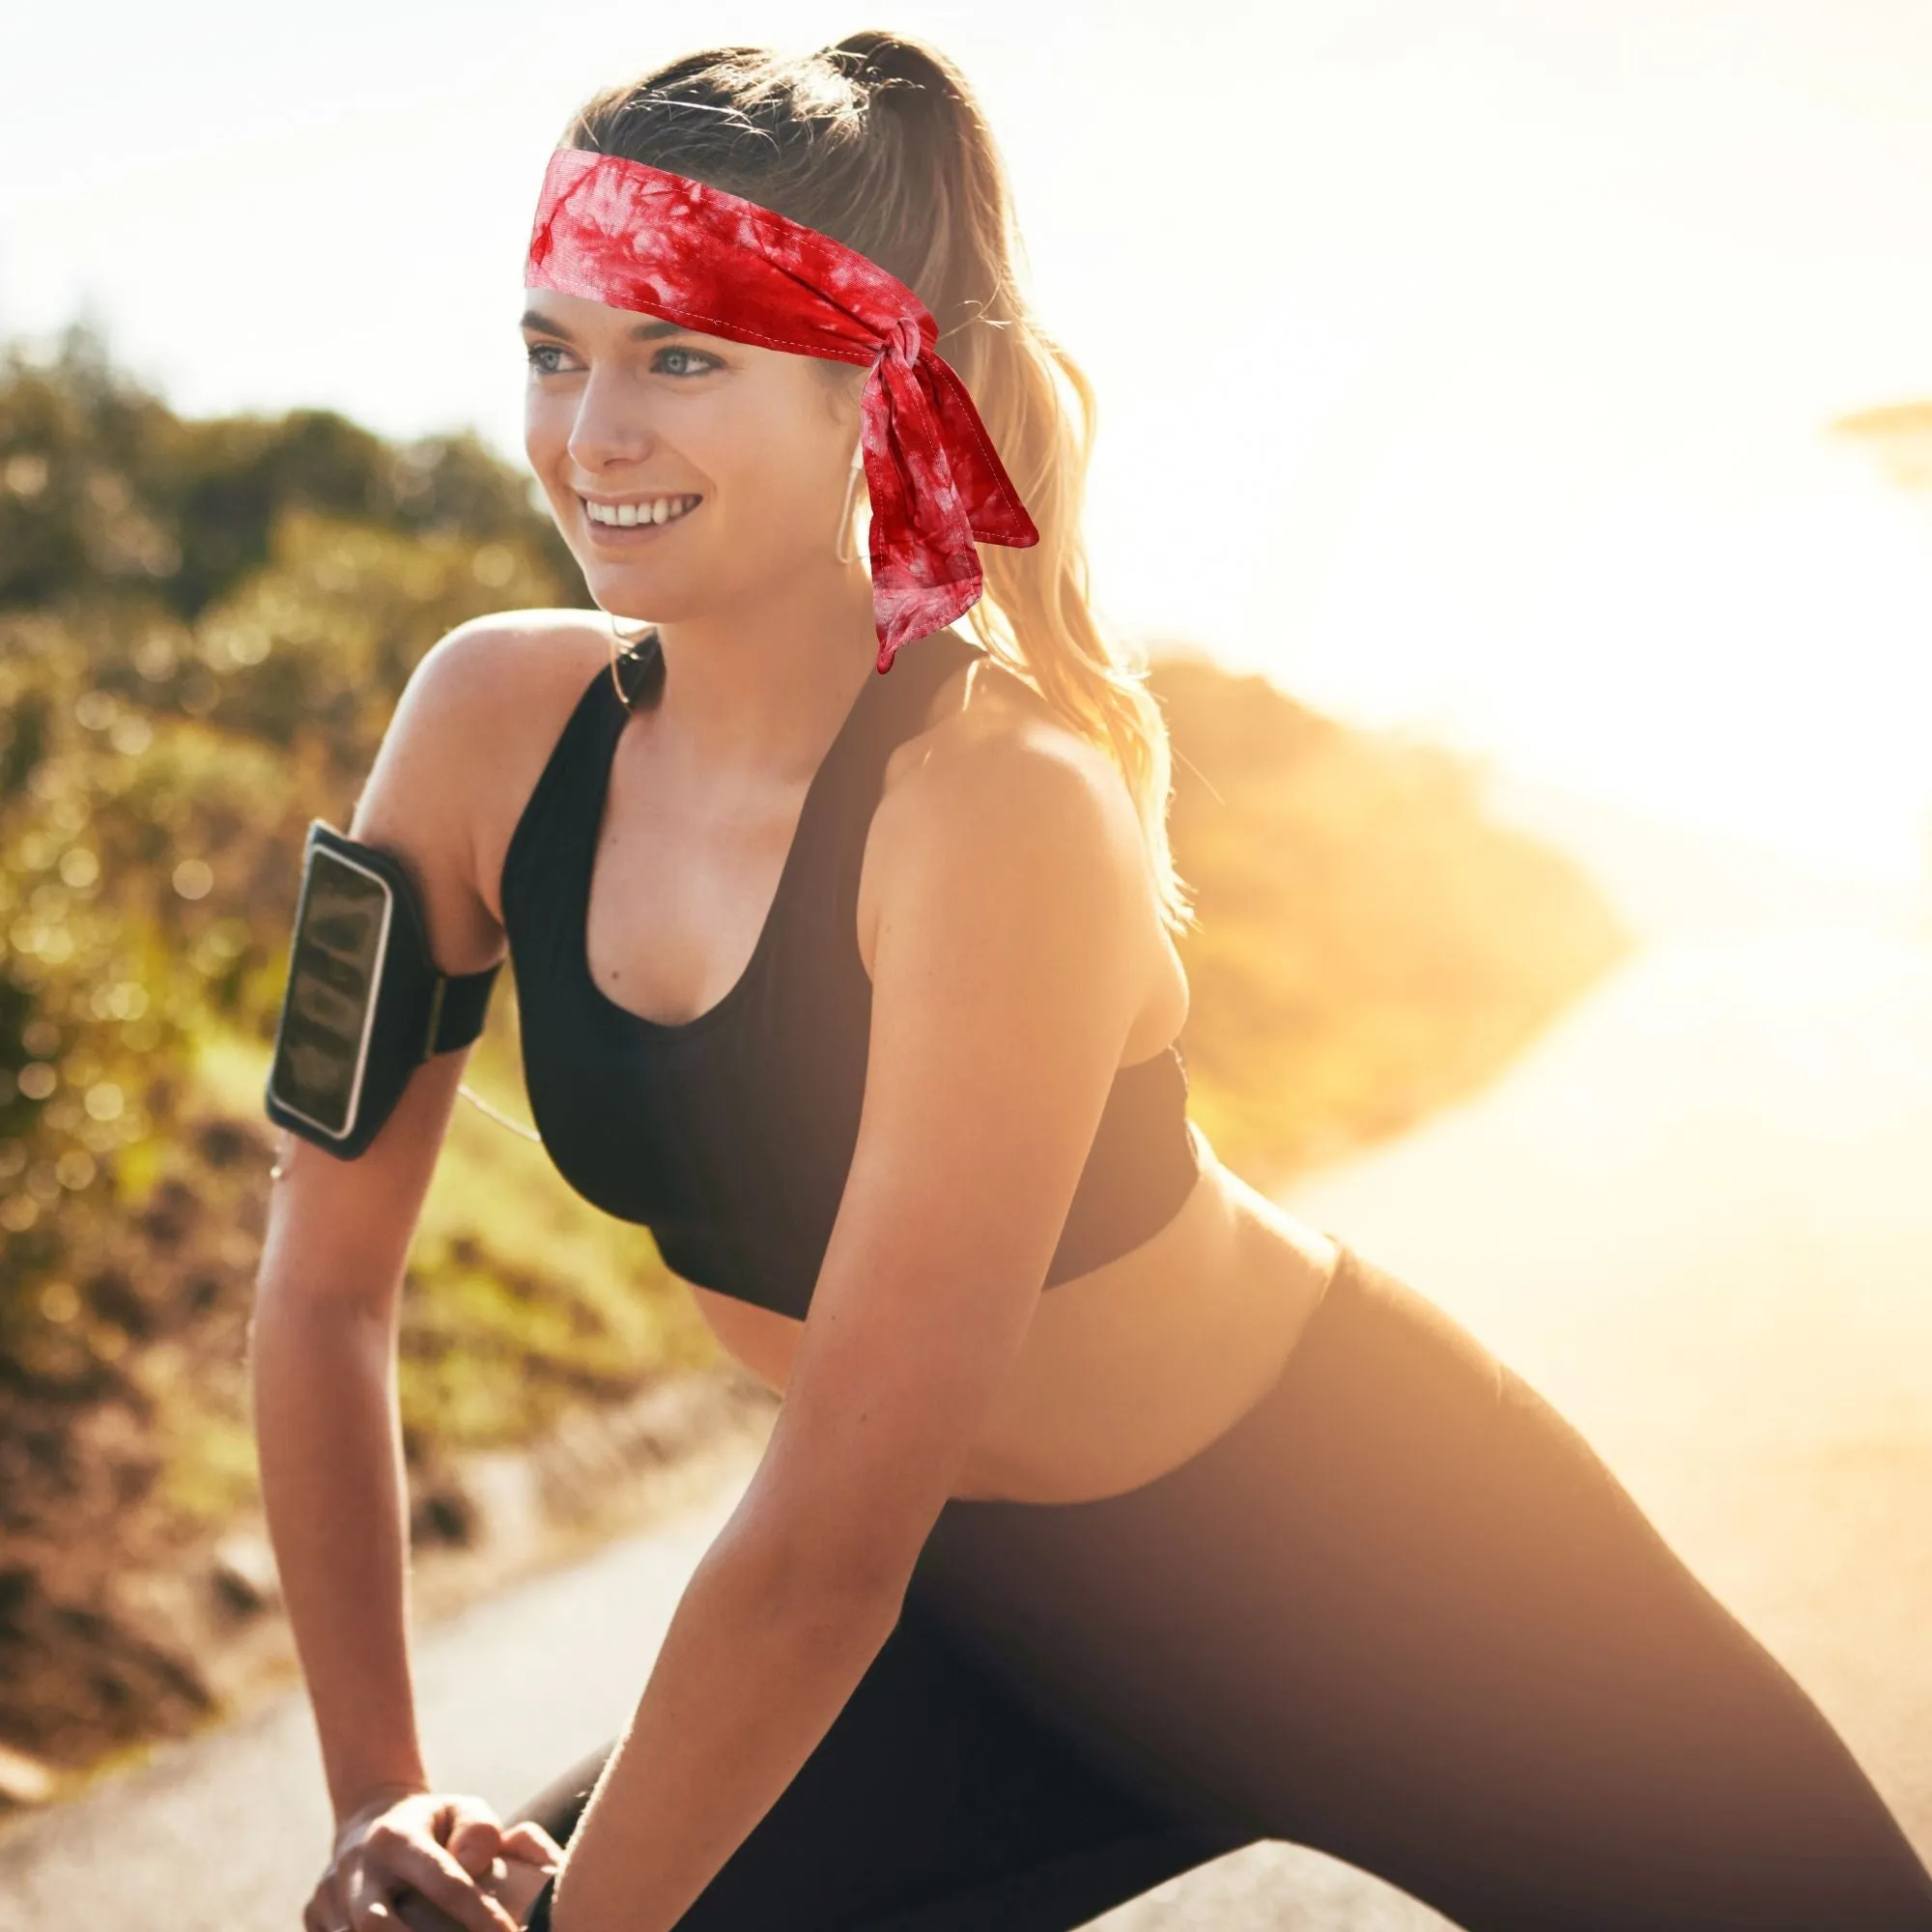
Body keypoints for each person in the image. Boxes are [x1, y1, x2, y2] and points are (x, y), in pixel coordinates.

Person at [254, 31, 1932, 1932]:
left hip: (1385, 1556)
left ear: (867, 387)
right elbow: (321, 1289)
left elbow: (819, 1545)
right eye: (556, 350)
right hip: (976, 1627)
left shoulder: (1001, 807)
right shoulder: (478, 726)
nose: (590, 436)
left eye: (682, 356)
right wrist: (377, 1792)